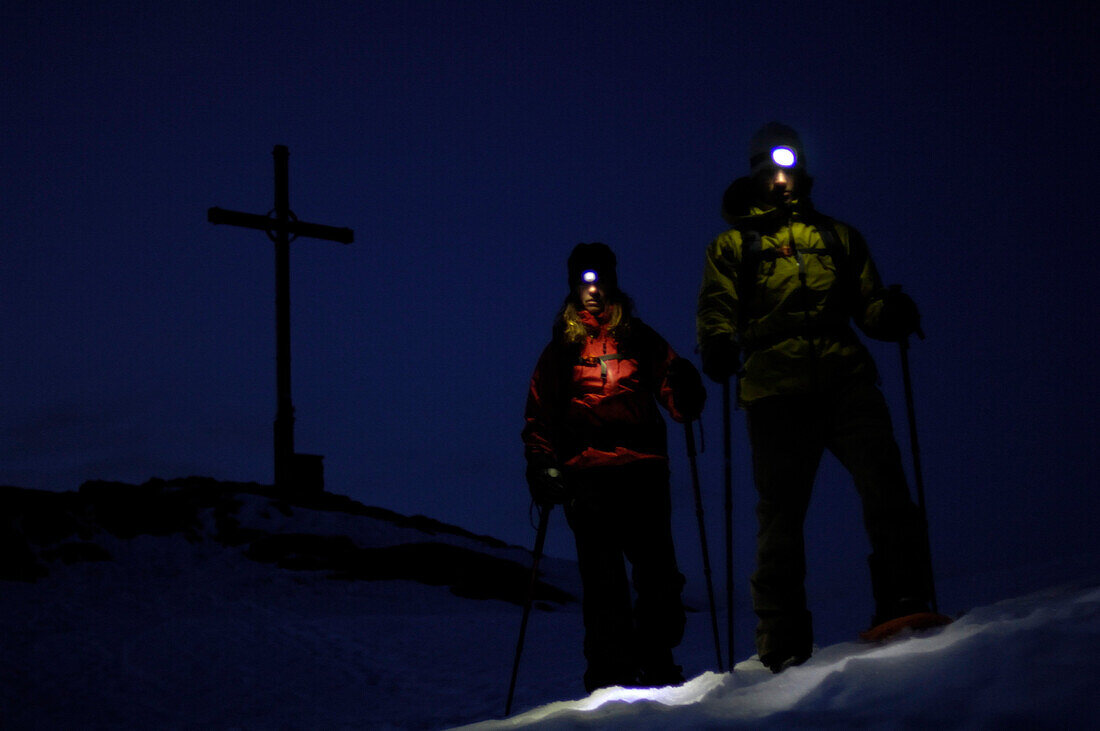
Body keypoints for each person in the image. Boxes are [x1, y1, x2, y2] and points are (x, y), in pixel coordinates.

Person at [696, 122, 933, 673]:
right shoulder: (733, 246)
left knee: (886, 486)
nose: (781, 179)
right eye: (770, 170)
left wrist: (887, 313)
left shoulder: (837, 237)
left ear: (800, 171)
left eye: (788, 168)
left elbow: (867, 303)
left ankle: (903, 599)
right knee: (780, 515)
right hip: (775, 387)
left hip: (843, 376)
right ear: (756, 174)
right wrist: (716, 343)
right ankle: (781, 640)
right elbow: (716, 306)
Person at [522, 242, 706, 693]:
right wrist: (542, 464)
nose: (593, 290)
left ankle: (655, 660)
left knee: (658, 575)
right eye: (585, 281)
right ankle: (612, 672)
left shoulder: (641, 339)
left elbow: (678, 402)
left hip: (642, 472)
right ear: (573, 286)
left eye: (599, 280)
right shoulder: (560, 351)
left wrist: (685, 389)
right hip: (587, 477)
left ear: (612, 282)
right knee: (604, 580)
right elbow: (539, 413)